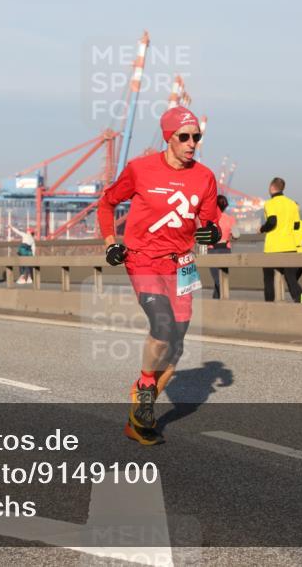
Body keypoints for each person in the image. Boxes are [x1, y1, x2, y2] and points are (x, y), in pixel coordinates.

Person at [98, 106, 220, 446]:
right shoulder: (140, 169)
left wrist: (211, 234)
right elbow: (107, 204)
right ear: (168, 137)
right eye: (184, 137)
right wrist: (111, 243)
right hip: (144, 259)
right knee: (162, 326)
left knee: (176, 346)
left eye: (196, 136)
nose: (192, 143)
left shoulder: (205, 177)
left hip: (182, 264)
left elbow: (209, 223)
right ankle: (146, 385)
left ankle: (140, 412)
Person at [259, 177, 302, 303]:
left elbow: (272, 221)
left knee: (268, 279)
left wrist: (262, 229)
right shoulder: (292, 204)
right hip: (290, 246)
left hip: (273, 247)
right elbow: (297, 225)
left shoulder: (270, 203)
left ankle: (269, 305)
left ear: (272, 187)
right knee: (291, 279)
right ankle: (301, 300)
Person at [208, 195, 239, 299]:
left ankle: (220, 303)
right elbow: (236, 235)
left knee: (217, 280)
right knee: (222, 278)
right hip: (226, 250)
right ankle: (216, 303)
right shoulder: (231, 219)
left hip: (212, 251)